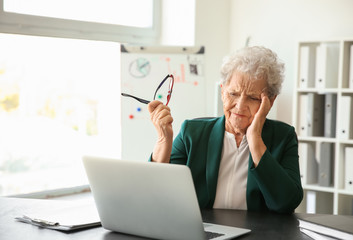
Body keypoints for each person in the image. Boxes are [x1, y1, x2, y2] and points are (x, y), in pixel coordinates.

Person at [147, 46, 303, 213]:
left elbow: (286, 202)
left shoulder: (283, 137)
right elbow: (159, 193)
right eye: (233, 94)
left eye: (252, 98)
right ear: (222, 92)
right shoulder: (191, 133)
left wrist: (255, 140)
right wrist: (164, 140)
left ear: (270, 102)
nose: (240, 106)